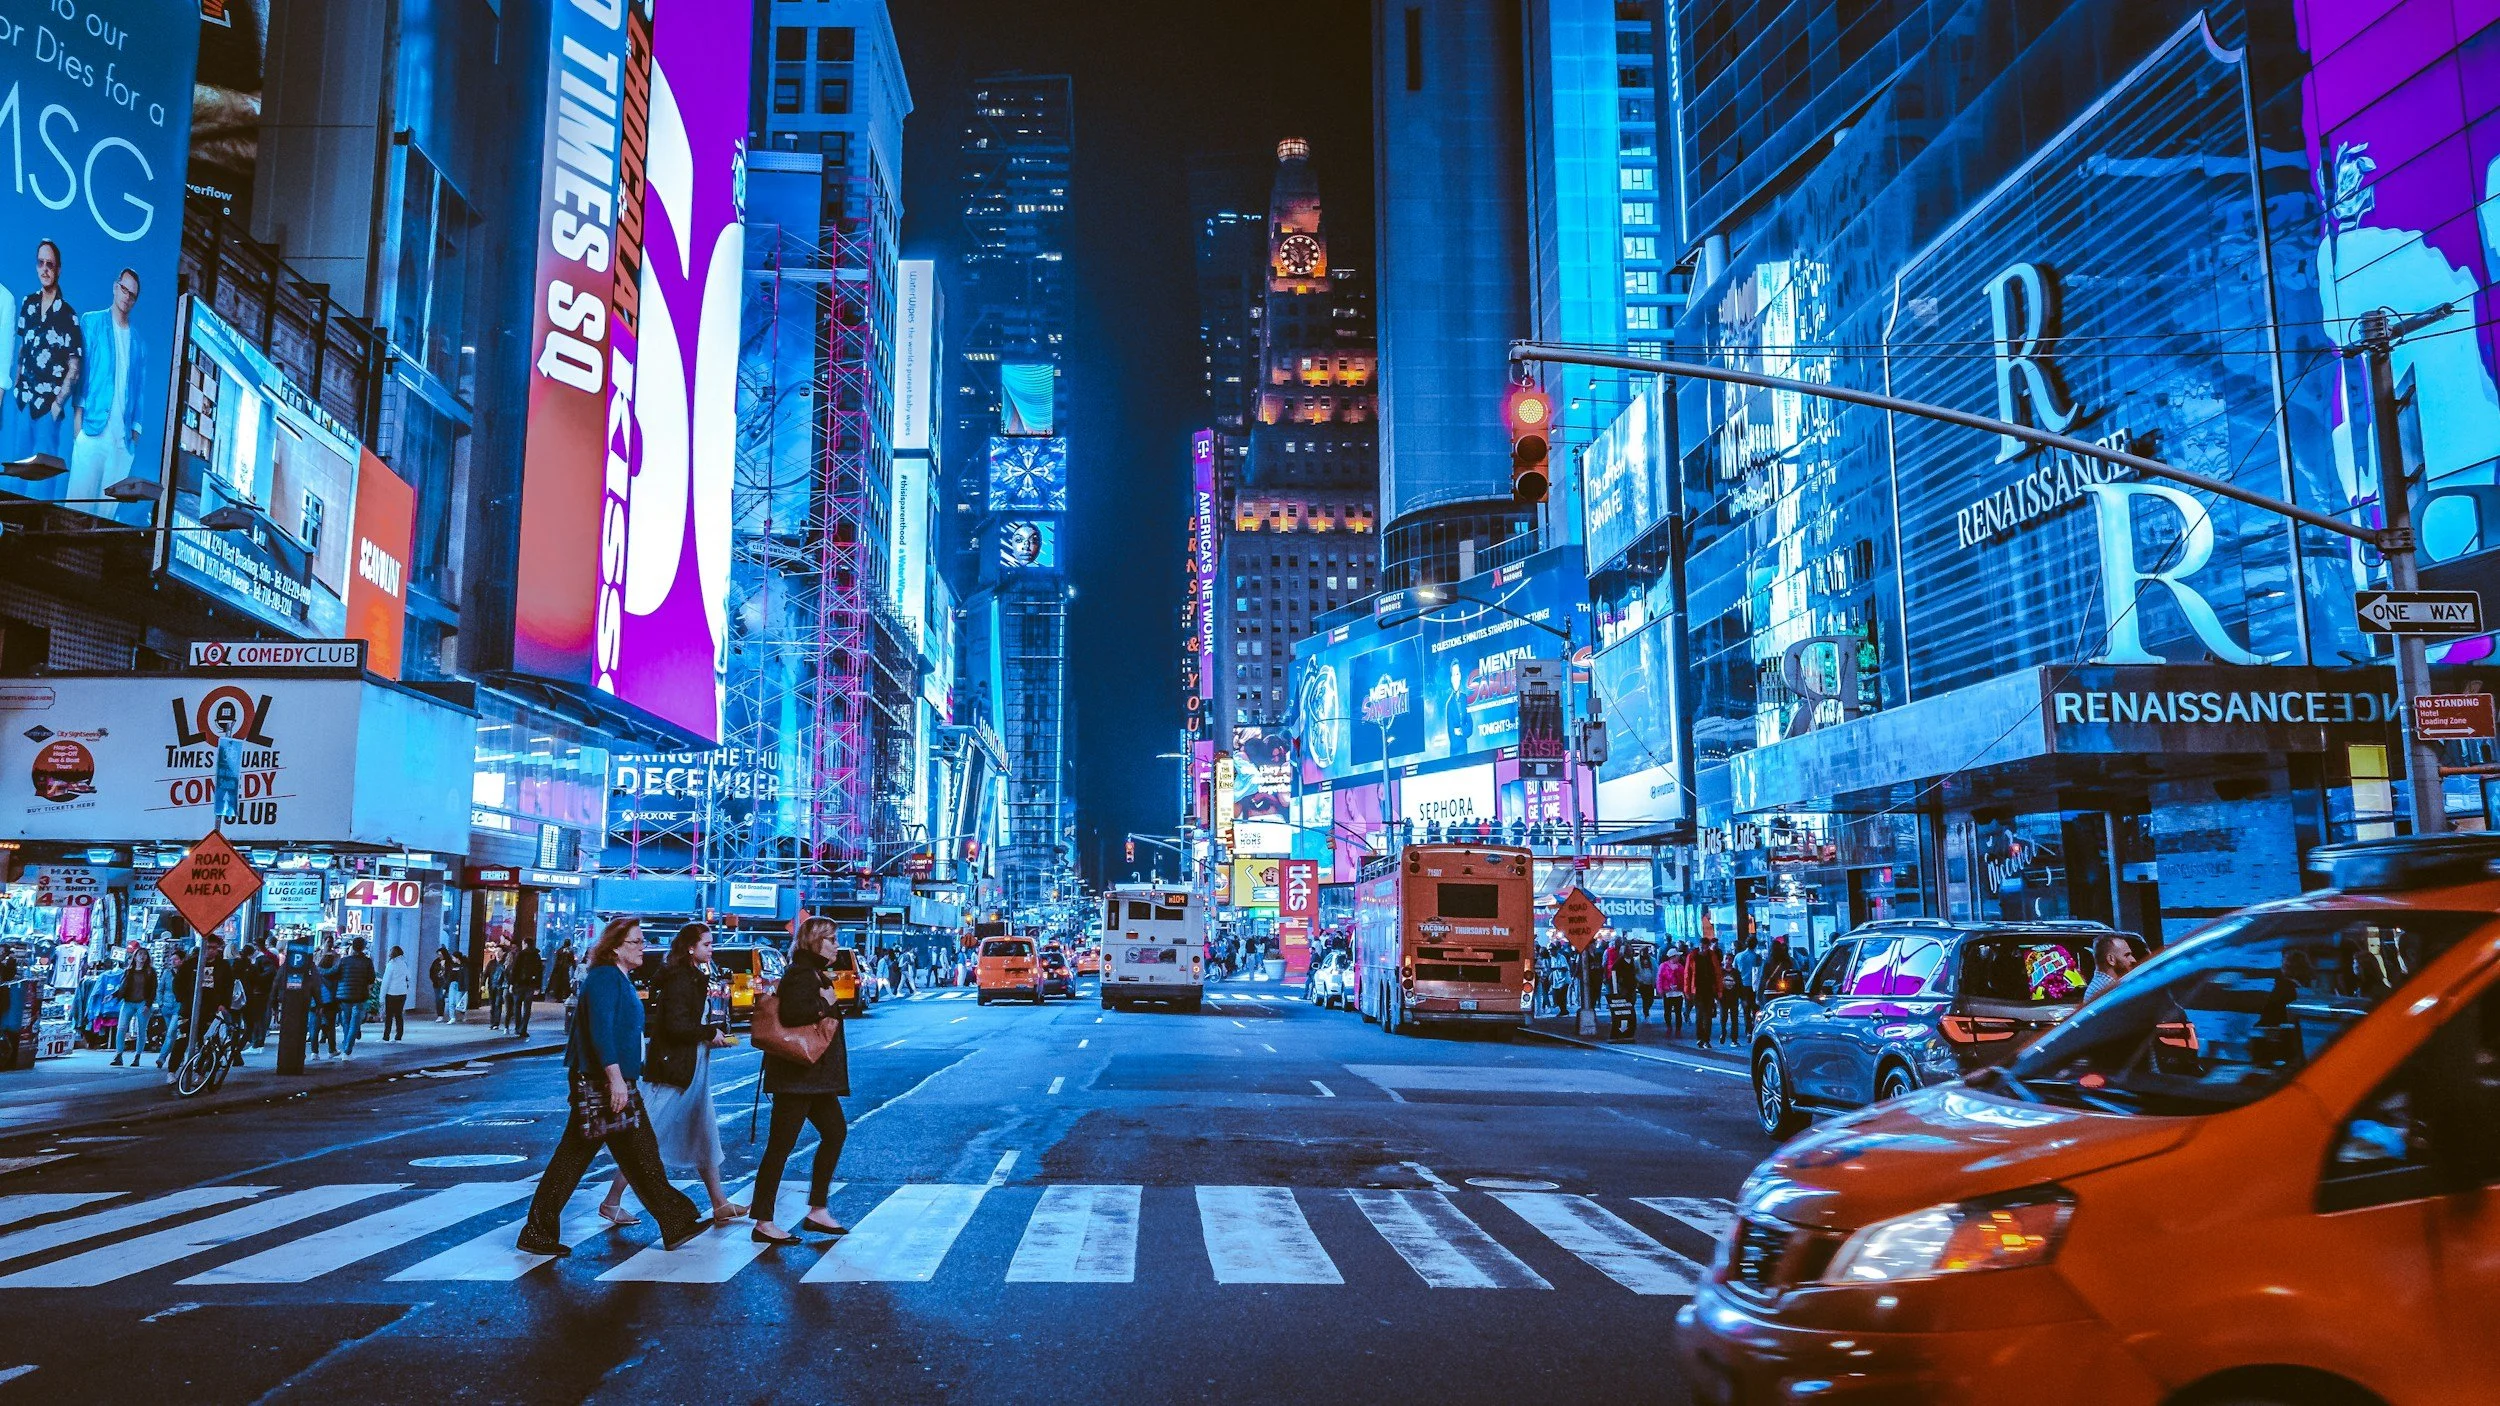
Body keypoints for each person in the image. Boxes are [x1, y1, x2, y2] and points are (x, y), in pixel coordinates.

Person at [515, 918, 703, 1258]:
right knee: (622, 1154)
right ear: (616, 946)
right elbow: (600, 1030)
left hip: (611, 1079)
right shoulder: (603, 978)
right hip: (604, 1081)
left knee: (621, 1154)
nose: (643, 947)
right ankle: (676, 1219)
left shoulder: (618, 978)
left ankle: (676, 1220)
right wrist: (615, 1078)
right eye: (637, 942)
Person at [600, 922, 747, 1228]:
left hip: (692, 1067)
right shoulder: (682, 978)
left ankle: (719, 1203)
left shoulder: (692, 976)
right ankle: (611, 1201)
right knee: (647, 1138)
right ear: (691, 947)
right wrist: (709, 1032)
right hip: (674, 1070)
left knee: (705, 1134)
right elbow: (676, 1026)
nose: (711, 949)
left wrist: (709, 1036)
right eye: (707, 944)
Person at [750, 916, 852, 1247]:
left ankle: (818, 1210)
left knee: (835, 1132)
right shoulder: (801, 975)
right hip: (797, 1079)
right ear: (815, 942)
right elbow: (794, 1015)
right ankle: (764, 1221)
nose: (837, 945)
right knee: (780, 1146)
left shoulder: (812, 973)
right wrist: (827, 1004)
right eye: (832, 939)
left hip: (813, 1078)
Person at [65, 266, 148, 512]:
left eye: (132, 294)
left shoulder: (138, 343)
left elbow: (139, 391)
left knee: (106, 516)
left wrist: (135, 434)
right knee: (75, 509)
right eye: (124, 289)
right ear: (115, 287)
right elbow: (83, 373)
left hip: (121, 442)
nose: (126, 297)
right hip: (91, 431)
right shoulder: (92, 322)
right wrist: (78, 427)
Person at [5, 239, 80, 474]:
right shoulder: (28, 303)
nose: (45, 269)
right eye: (41, 263)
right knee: (15, 470)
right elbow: (21, 348)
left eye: (50, 264)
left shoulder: (69, 315)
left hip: (49, 409)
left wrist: (58, 405)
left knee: (43, 476)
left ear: (58, 269)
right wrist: (17, 383)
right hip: (24, 402)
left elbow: (75, 367)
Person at [110, 942, 155, 1066]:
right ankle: (119, 1054)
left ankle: (137, 1056)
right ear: (135, 957)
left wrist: (148, 1004)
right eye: (140, 954)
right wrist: (113, 995)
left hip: (143, 1003)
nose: (142, 957)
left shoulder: (150, 972)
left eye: (144, 955)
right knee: (121, 1028)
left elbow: (153, 990)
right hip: (128, 1002)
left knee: (141, 1030)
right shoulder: (129, 971)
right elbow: (123, 987)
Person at [337, 937, 377, 1057]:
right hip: (360, 995)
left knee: (346, 1022)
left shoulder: (344, 961)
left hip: (345, 995)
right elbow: (371, 978)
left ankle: (345, 1045)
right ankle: (347, 1050)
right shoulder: (367, 961)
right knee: (355, 1023)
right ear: (363, 947)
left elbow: (336, 973)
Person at [1686, 933, 1725, 1052]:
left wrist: (1719, 990)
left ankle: (1706, 1039)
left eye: (1706, 947)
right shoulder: (1692, 956)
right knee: (1699, 1014)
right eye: (1702, 947)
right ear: (1700, 946)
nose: (1704, 949)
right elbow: (1687, 974)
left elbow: (1717, 973)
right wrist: (1687, 990)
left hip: (1709, 989)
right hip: (1697, 989)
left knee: (1707, 1015)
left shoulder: (1712, 956)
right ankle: (1700, 1038)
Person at [2084, 934, 2142, 1003]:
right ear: (2111, 960)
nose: (2133, 960)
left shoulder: (2102, 986)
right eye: (2127, 955)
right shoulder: (2106, 992)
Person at [311, 940, 343, 1059]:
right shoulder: (334, 975)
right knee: (330, 1027)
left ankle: (314, 1052)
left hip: (315, 1003)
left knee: (314, 1028)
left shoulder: (314, 973)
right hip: (330, 1002)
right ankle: (331, 1050)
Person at [379, 945, 415, 1041]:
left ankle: (386, 1036)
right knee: (399, 1015)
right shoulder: (404, 964)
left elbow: (386, 981)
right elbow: (409, 977)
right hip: (402, 993)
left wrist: (381, 997)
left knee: (389, 1016)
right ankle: (398, 1036)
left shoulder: (391, 964)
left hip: (391, 993)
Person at [509, 941, 544, 1038]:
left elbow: (514, 969)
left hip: (519, 984)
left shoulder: (520, 954)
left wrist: (511, 983)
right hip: (530, 985)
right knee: (527, 1008)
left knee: (517, 1006)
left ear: (525, 944)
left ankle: (517, 1028)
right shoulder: (536, 956)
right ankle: (523, 1029)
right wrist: (538, 986)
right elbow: (539, 972)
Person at [1658, 943, 1687, 1039]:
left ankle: (1678, 1030)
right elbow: (1659, 979)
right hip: (1668, 992)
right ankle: (1669, 1027)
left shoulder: (1680, 967)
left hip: (1678, 992)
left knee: (1678, 1012)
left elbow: (1684, 979)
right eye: (1677, 956)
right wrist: (1661, 990)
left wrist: (1683, 988)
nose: (1678, 958)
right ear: (1672, 957)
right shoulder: (1663, 966)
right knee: (1667, 1011)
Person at [428, 946, 456, 1022]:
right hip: (437, 983)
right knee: (438, 999)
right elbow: (431, 971)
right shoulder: (436, 962)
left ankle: (452, 1015)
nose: (439, 956)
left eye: (440, 955)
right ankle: (440, 1015)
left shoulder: (449, 962)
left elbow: (450, 972)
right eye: (438, 954)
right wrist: (434, 979)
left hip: (446, 983)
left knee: (446, 999)